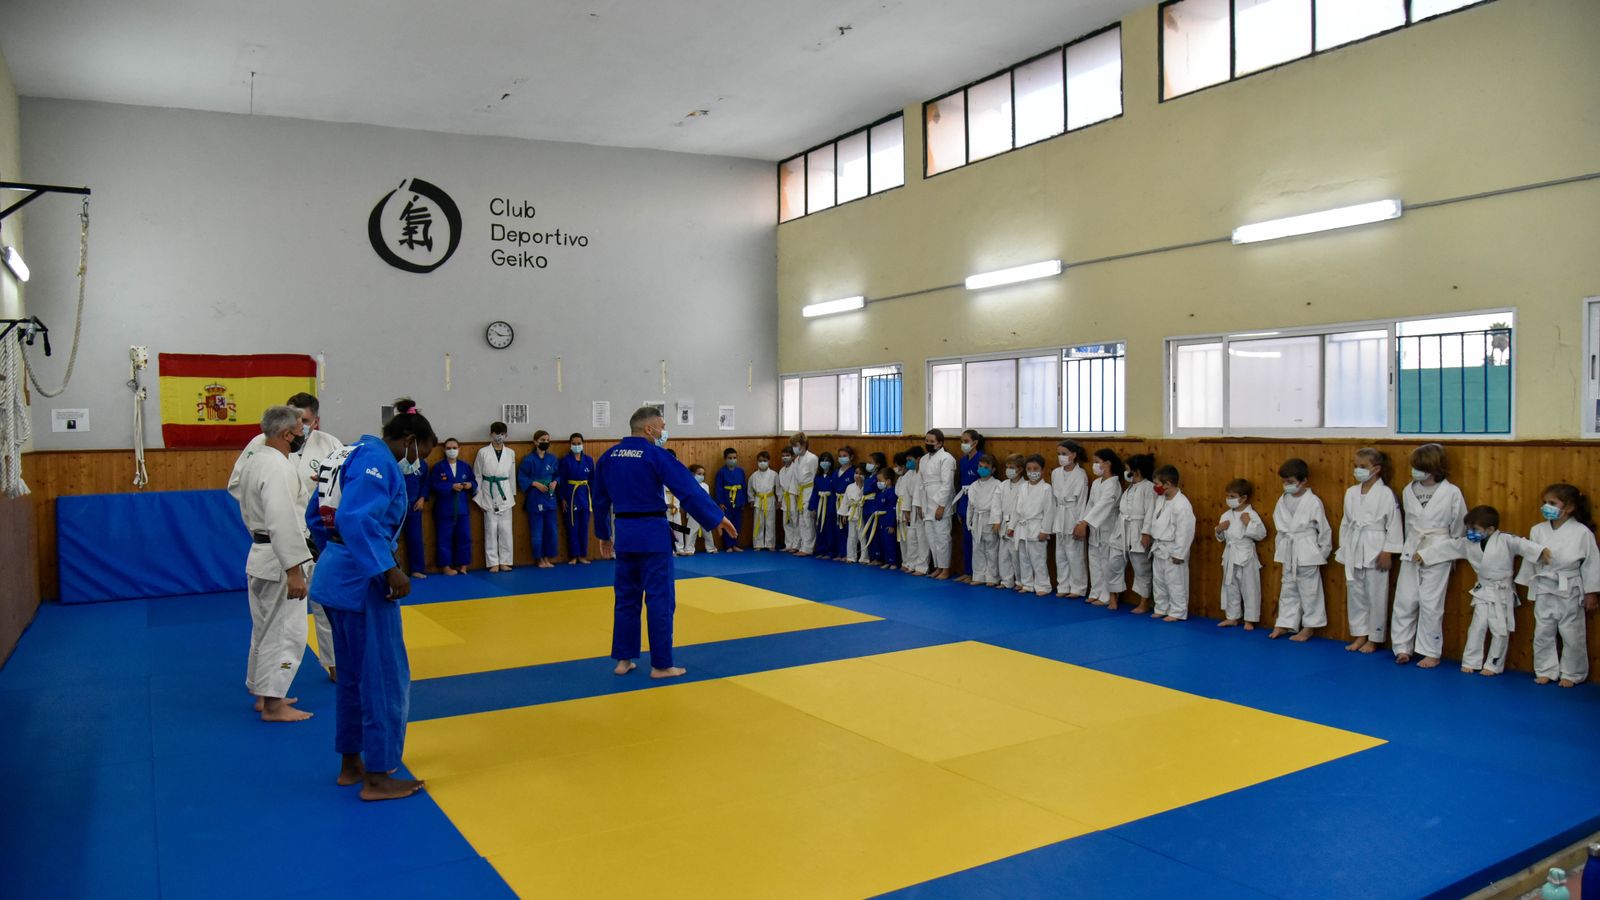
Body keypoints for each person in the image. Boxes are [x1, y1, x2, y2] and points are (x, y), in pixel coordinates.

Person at [306, 408, 437, 801]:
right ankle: (379, 776)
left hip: (335, 574)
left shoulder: (344, 453)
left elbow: (317, 515)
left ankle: (351, 765)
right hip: (362, 581)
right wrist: (387, 569)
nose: (418, 461)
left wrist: (337, 555)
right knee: (382, 678)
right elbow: (356, 518)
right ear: (410, 440)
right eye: (422, 452)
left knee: (350, 677)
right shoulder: (378, 460)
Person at [593, 406, 734, 679]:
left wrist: (603, 534)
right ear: (649, 429)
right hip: (653, 534)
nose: (664, 431)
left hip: (624, 532)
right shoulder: (654, 455)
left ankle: (623, 660)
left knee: (626, 598)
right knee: (660, 599)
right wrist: (715, 517)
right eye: (662, 425)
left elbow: (599, 500)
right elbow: (688, 488)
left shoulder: (608, 457)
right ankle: (661, 665)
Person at [228, 391, 340, 680]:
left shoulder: (330, 444)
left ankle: (334, 663)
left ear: (315, 421)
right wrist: (269, 512)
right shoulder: (262, 446)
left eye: (304, 419)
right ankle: (269, 690)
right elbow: (238, 485)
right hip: (281, 539)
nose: (298, 424)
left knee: (326, 604)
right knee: (281, 623)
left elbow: (344, 490)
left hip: (318, 537)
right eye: (293, 418)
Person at [238, 405, 315, 723]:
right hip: (280, 560)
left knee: (265, 630)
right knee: (286, 632)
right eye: (299, 428)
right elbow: (282, 522)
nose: (302, 433)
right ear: (286, 434)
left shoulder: (255, 460)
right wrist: (294, 569)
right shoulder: (278, 468)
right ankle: (274, 705)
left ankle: (264, 693)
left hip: (261, 555)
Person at [1421, 505, 1548, 676]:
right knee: (1477, 627)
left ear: (1490, 529)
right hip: (1482, 590)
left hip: (1502, 591)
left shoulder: (1505, 540)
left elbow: (1523, 545)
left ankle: (1493, 664)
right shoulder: (1467, 543)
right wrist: (1424, 554)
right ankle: (1470, 661)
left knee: (1499, 630)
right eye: (1468, 529)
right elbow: (1448, 547)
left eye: (1475, 529)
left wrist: (1541, 551)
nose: (1470, 532)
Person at [1390, 443, 1467, 667]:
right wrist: (1411, 547)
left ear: (1433, 467)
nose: (1415, 471)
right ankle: (1402, 647)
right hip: (1412, 546)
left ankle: (1430, 651)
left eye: (1419, 467)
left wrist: (1442, 551)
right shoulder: (1408, 489)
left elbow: (1458, 526)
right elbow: (1408, 523)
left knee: (1431, 602)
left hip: (1439, 548)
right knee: (1405, 599)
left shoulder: (1451, 492)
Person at [1515, 484, 1600, 686]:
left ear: (1569, 507)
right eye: (1545, 503)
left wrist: (1592, 592)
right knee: (1543, 631)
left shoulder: (1582, 532)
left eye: (1552, 503)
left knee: (1572, 632)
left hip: (1569, 585)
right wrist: (1527, 582)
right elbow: (1530, 557)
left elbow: (1591, 562)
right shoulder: (1537, 530)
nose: (1546, 507)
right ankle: (1545, 670)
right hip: (1544, 583)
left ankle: (1572, 673)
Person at [1335, 448, 1403, 653]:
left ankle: (1374, 638)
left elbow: (1394, 523)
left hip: (1376, 545)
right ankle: (1360, 635)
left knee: (1376, 595)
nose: (1358, 470)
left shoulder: (1386, 493)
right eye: (1355, 466)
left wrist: (1388, 551)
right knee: (1356, 594)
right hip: (1355, 546)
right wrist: (1345, 548)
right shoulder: (1351, 492)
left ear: (1376, 469)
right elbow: (1346, 523)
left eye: (1362, 467)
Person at [1271, 458, 1333, 642]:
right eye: (1284, 482)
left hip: (1307, 549)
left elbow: (1324, 529)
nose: (1286, 485)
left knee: (1310, 590)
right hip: (1289, 548)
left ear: (1304, 480)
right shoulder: (1282, 500)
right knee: (1288, 587)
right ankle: (1285, 623)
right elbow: (1280, 528)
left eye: (1290, 482)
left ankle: (1309, 626)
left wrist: (1322, 553)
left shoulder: (1313, 501)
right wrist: (1280, 549)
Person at [1215, 478, 1267, 630]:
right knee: (1230, 587)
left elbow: (1262, 534)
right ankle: (1232, 617)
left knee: (1250, 588)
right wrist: (1219, 530)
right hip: (1230, 553)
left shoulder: (1250, 514)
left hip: (1246, 555)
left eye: (1232, 496)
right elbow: (1221, 538)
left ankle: (1250, 620)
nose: (1229, 499)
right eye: (1228, 496)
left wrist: (1248, 524)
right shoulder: (1226, 515)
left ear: (1244, 498)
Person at [1147, 465, 1196, 622]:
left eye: (1157, 484)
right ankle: (1162, 607)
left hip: (1173, 548)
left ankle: (1178, 611)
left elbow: (1185, 531)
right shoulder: (1161, 500)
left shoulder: (1182, 504)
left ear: (1167, 484)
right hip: (1159, 546)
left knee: (1176, 582)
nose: (1155, 487)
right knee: (1159, 581)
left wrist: (1179, 553)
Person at [1112, 453, 1157, 614]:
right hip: (1122, 529)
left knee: (1141, 568)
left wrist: (1146, 533)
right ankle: (1113, 596)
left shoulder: (1149, 488)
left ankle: (1144, 602)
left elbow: (1151, 512)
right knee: (1114, 563)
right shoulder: (1130, 487)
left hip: (1138, 530)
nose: (1126, 472)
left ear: (1137, 471)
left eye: (1128, 470)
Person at [1080, 449, 1124, 608]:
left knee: (1106, 562)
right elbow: (1091, 505)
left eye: (1097, 462)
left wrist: (1086, 522)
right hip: (1094, 528)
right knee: (1094, 560)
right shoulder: (1097, 483)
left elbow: (1103, 506)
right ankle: (1095, 591)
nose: (1095, 465)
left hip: (1108, 526)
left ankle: (1106, 595)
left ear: (1108, 463)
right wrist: (1082, 522)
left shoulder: (1114, 484)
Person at [474, 422, 518, 573]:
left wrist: (512, 495)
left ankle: (506, 561)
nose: (499, 436)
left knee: (506, 529)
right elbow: (478, 475)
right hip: (488, 490)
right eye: (496, 433)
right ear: (491, 434)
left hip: (505, 491)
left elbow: (512, 476)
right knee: (491, 529)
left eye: (502, 434)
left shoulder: (510, 453)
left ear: (506, 435)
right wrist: (479, 497)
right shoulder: (483, 452)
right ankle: (493, 562)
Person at [429, 438, 476, 574]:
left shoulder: (465, 466)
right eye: (449, 448)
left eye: (454, 447)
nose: (452, 450)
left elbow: (473, 481)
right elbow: (433, 485)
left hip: (462, 508)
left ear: (459, 449)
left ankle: (463, 565)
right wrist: (450, 486)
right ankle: (446, 566)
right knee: (444, 538)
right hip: (444, 508)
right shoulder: (439, 467)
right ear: (444, 450)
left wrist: (470, 485)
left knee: (464, 537)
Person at [393, 400, 429, 579]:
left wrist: (422, 498)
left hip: (414, 503)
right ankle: (392, 569)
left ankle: (418, 568)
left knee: (415, 538)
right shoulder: (393, 459)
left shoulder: (420, 461)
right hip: (395, 504)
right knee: (392, 539)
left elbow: (425, 482)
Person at [1051, 440, 1090, 600]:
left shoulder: (1081, 474)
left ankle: (1078, 587)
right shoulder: (1055, 473)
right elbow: (1053, 499)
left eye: (1064, 454)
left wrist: (1080, 522)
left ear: (1073, 455)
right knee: (1060, 554)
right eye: (1059, 454)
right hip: (1059, 512)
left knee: (1075, 554)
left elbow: (1082, 500)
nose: (1061, 457)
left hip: (1074, 513)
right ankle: (1063, 585)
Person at [517, 430, 561, 568]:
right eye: (542, 440)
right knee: (537, 531)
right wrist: (535, 484)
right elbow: (522, 477)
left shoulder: (552, 459)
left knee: (551, 530)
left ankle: (548, 557)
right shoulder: (529, 460)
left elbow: (558, 475)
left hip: (550, 497)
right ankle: (539, 558)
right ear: (535, 442)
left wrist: (555, 482)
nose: (545, 442)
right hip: (535, 498)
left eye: (547, 440)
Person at [1012, 454, 1054, 597]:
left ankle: (1043, 585)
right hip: (1022, 527)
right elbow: (1016, 509)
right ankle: (1027, 584)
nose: (1032, 472)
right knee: (1023, 558)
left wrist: (1045, 530)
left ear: (1042, 470)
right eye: (1029, 469)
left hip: (1037, 527)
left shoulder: (1046, 488)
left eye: (1035, 468)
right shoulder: (1023, 487)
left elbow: (1049, 511)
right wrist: (1012, 527)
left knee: (1038, 559)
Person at [920, 430, 958, 580]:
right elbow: (922, 483)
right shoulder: (923, 459)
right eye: (926, 441)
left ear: (940, 443)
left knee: (942, 537)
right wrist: (922, 505)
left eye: (932, 441)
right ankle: (937, 566)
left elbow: (947, 483)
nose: (928, 444)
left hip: (942, 501)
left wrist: (941, 505)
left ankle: (946, 569)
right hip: (927, 499)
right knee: (931, 537)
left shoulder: (947, 458)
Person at [558, 433, 596, 564]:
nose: (576, 446)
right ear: (570, 444)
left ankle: (583, 556)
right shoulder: (565, 460)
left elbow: (592, 480)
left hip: (585, 495)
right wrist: (562, 498)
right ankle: (574, 556)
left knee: (584, 527)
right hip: (571, 495)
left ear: (583, 444)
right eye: (574, 443)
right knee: (572, 526)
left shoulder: (589, 460)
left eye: (579, 443)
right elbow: (561, 480)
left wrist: (593, 497)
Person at [954, 430, 985, 583]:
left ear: (975, 442)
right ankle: (968, 571)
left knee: (977, 541)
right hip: (965, 500)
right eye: (962, 441)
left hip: (978, 504)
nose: (963, 444)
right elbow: (960, 484)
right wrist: (960, 508)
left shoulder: (982, 459)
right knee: (966, 540)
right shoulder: (963, 461)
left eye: (966, 441)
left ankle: (978, 573)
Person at [898, 448, 929, 574]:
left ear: (919, 459)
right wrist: (905, 510)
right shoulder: (908, 474)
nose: (907, 463)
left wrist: (919, 506)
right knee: (911, 538)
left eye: (910, 460)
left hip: (921, 507)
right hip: (910, 508)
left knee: (922, 539)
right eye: (906, 461)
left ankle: (922, 566)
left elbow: (921, 492)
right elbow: (905, 493)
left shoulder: (923, 472)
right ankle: (911, 563)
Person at [789, 433, 820, 556]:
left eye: (795, 445)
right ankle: (802, 545)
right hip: (801, 492)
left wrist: (814, 497)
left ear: (803, 444)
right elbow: (796, 479)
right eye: (792, 446)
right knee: (801, 520)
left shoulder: (812, 458)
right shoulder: (796, 460)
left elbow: (814, 477)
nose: (794, 448)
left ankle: (808, 548)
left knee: (808, 520)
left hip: (810, 490)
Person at [712, 446, 748, 552]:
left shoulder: (740, 471)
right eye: (730, 458)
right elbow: (718, 488)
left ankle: (735, 544)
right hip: (726, 500)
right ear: (725, 459)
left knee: (737, 523)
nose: (732, 460)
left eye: (734, 457)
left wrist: (744, 500)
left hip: (738, 499)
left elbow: (743, 486)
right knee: (727, 523)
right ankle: (728, 545)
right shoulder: (721, 472)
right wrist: (720, 502)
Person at [864, 467, 900, 568]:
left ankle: (893, 561)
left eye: (880, 481)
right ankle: (887, 561)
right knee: (883, 542)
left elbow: (892, 510)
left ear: (888, 481)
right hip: (880, 522)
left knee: (890, 542)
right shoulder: (880, 494)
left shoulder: (892, 492)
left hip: (887, 521)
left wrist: (891, 524)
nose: (878, 483)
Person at [677, 464, 717, 555]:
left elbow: (708, 499)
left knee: (707, 530)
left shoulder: (705, 486)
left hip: (704, 511)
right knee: (691, 530)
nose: (701, 476)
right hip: (693, 511)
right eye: (699, 474)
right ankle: (689, 549)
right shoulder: (688, 485)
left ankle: (711, 548)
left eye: (703, 474)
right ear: (692, 474)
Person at [748, 450, 779, 551]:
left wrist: (779, 500)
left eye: (764, 460)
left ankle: (770, 544)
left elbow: (778, 488)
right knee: (758, 522)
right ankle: (758, 543)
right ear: (757, 462)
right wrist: (751, 499)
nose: (762, 463)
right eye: (760, 460)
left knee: (770, 523)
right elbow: (750, 489)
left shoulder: (774, 474)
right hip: (758, 499)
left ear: (768, 461)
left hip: (770, 499)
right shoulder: (754, 476)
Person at [840, 466, 866, 563]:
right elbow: (845, 501)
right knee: (851, 537)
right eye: (856, 473)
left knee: (863, 537)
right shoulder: (849, 487)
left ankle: (864, 557)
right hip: (851, 514)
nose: (857, 475)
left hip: (861, 514)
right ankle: (851, 556)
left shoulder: (866, 486)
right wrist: (843, 514)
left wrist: (860, 486)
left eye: (860, 473)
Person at [777, 447, 798, 552]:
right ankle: (788, 545)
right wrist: (780, 500)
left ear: (793, 456)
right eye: (783, 455)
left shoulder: (795, 468)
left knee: (795, 521)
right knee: (786, 522)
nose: (785, 457)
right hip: (785, 498)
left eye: (787, 455)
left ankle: (796, 545)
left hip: (793, 497)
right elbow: (780, 487)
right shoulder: (781, 471)